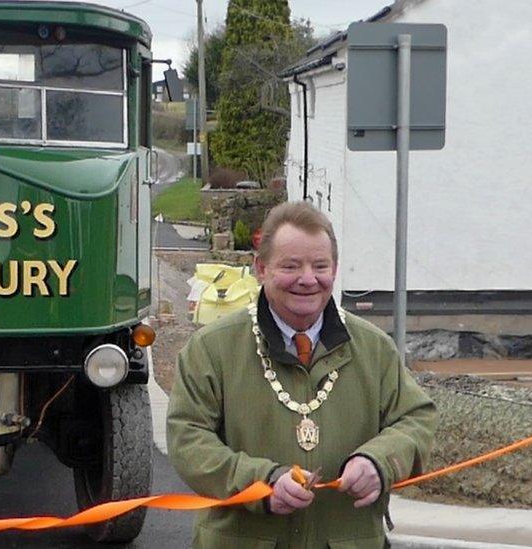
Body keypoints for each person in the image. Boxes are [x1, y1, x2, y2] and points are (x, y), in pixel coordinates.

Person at [167, 201, 438, 548]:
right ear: (261, 269)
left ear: (335, 270)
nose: (308, 279)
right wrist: (262, 483)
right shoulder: (212, 349)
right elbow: (188, 439)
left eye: (320, 266)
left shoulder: (374, 348)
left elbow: (417, 419)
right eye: (291, 266)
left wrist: (379, 461)